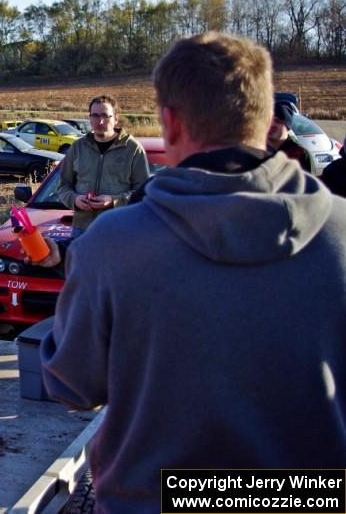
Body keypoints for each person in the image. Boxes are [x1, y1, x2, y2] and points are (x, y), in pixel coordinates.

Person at [37, 32, 346, 513]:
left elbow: (72, 385)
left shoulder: (111, 246)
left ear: (171, 123)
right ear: (267, 121)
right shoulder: (341, 233)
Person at [56, 95, 150, 237]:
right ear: (89, 118)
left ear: (115, 118)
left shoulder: (133, 148)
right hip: (82, 230)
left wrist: (114, 201)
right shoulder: (78, 147)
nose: (100, 121)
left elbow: (143, 192)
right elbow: (63, 186)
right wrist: (75, 200)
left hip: (119, 230)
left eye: (105, 116)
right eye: (95, 116)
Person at [266, 101, 312, 172]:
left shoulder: (299, 153)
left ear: (287, 126)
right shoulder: (259, 151)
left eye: (277, 121)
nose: (271, 125)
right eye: (268, 121)